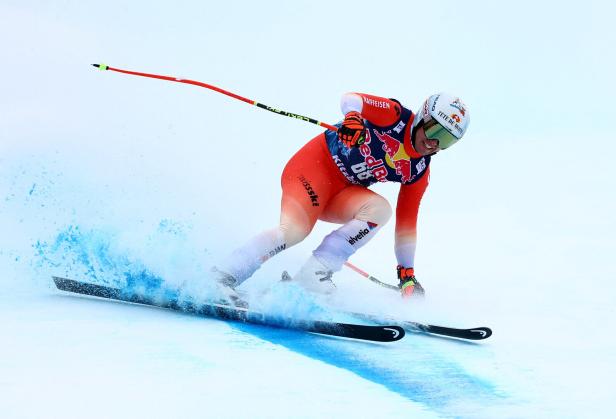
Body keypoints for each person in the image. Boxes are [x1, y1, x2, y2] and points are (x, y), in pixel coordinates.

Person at [213, 92, 469, 302]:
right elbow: (352, 98)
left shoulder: (418, 171)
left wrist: (407, 274)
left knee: (380, 210)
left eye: (446, 140)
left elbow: (406, 224)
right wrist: (353, 118)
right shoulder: (395, 117)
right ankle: (222, 276)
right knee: (294, 231)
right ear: (423, 116)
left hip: (342, 193)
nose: (434, 143)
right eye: (435, 130)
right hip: (312, 170)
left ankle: (314, 275)